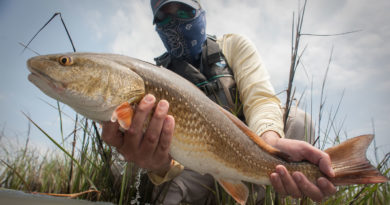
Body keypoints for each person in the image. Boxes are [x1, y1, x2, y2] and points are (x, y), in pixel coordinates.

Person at [102, 0, 337, 204]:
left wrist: (270, 143)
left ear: (200, 12)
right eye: (163, 17)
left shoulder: (233, 46)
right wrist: (159, 166)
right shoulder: (156, 77)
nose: (174, 23)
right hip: (197, 170)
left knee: (297, 121)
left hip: (255, 155)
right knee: (125, 167)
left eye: (183, 12)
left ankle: (282, 190)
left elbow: (261, 99)